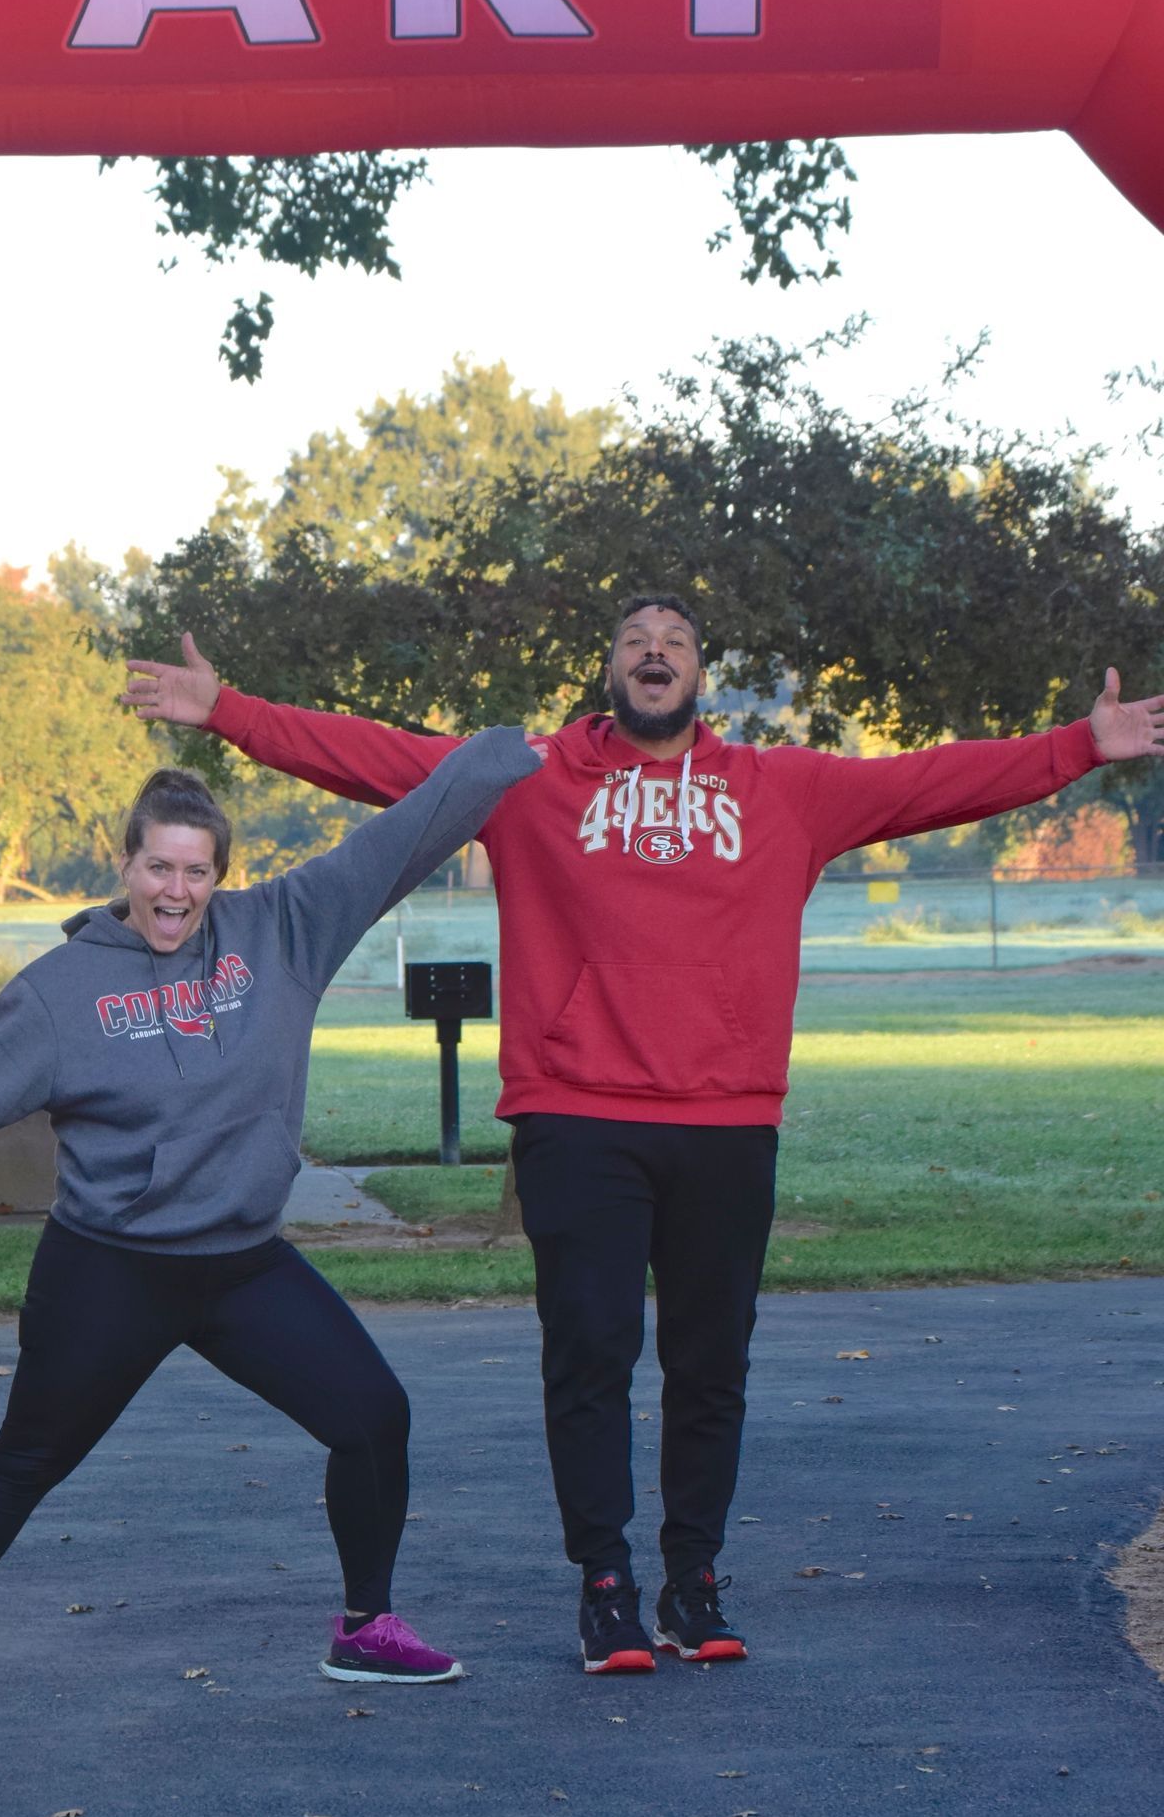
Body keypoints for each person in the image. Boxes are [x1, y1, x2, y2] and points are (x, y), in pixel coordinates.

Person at [124, 606, 1164, 1677]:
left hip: (726, 1117)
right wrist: (232, 715)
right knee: (593, 1355)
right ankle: (606, 1585)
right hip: (579, 1115)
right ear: (612, 669)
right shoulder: (527, 777)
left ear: (701, 671)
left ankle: (694, 1578)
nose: (653, 650)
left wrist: (1082, 746)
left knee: (710, 1366)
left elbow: (935, 780)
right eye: (633, 639)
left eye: (674, 639)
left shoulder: (785, 790)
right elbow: (386, 762)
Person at [0, 739, 543, 1712]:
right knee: (30, 1454)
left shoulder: (281, 933)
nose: (176, 890)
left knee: (374, 1417)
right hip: (110, 1270)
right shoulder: (60, 994)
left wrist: (507, 758)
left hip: (242, 1267)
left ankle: (365, 1628)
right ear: (127, 866)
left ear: (221, 874)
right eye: (159, 866)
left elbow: (400, 840)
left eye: (197, 870)